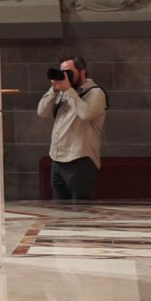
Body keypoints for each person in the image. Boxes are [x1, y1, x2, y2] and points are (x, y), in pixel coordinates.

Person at [37, 55, 106, 201]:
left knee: (80, 209)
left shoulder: (96, 93)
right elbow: (42, 112)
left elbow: (86, 113)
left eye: (69, 72)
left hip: (80, 160)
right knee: (60, 209)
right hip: (57, 159)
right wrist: (54, 90)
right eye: (62, 73)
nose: (65, 76)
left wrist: (68, 90)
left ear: (82, 72)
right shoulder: (63, 93)